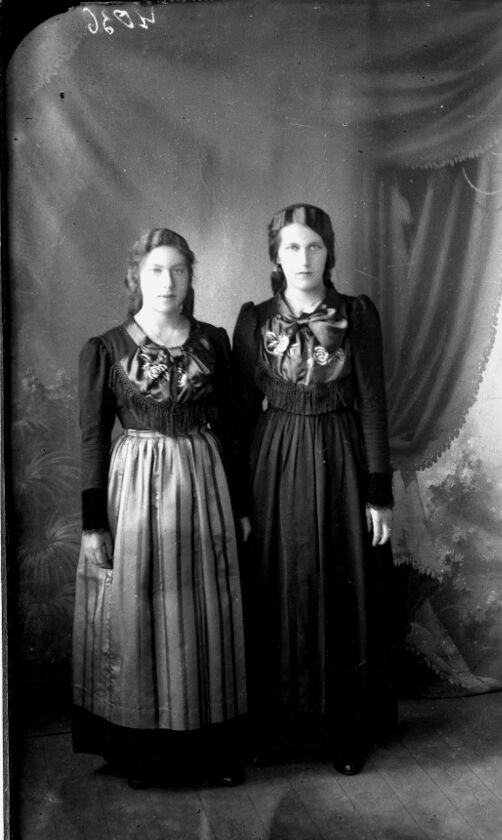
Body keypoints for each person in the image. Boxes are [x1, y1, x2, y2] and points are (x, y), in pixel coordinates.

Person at [73, 227, 249, 788]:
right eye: (156, 270)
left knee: (205, 612)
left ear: (191, 277)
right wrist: (93, 524)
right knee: (142, 610)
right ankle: (146, 753)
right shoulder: (107, 348)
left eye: (178, 270)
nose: (168, 282)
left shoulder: (212, 341)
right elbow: (93, 440)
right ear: (136, 277)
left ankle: (209, 749)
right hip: (135, 490)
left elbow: (232, 426)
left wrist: (242, 505)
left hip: (204, 485)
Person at [233, 203, 396, 776]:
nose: (303, 259)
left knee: (341, 585)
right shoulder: (254, 321)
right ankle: (275, 727)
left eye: (315, 247)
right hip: (274, 462)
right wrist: (241, 501)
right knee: (277, 584)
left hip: (342, 458)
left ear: (329, 253)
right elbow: (240, 415)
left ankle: (345, 730)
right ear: (276, 257)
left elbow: (373, 402)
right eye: (292, 248)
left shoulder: (356, 315)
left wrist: (379, 494)